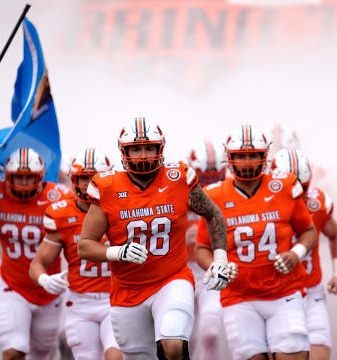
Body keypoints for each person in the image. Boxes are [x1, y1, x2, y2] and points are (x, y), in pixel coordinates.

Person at [77, 117, 228, 360]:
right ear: (124, 151)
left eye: (149, 148)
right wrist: (117, 252)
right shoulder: (106, 186)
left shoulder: (178, 177)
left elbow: (213, 213)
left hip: (172, 279)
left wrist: (220, 257)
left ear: (160, 149)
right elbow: (84, 246)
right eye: (136, 149)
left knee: (173, 343)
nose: (143, 154)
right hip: (127, 289)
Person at [195, 125, 317, 360]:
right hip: (239, 297)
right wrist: (217, 265)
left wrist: (296, 252)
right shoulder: (215, 195)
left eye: (253, 155)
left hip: (285, 293)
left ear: (265, 157)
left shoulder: (283, 185)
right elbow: (202, 249)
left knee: (293, 355)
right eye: (241, 156)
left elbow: (308, 231)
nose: (247, 161)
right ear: (230, 159)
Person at [0, 147, 74, 360]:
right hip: (13, 287)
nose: (23, 183)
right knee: (14, 350)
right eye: (18, 177)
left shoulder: (57, 197)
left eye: (29, 177)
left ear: (40, 177)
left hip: (49, 292)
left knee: (41, 356)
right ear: (7, 177)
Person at [29, 148, 122, 360]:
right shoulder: (61, 213)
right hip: (80, 303)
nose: (90, 186)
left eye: (95, 179)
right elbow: (37, 264)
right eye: (84, 179)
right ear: (73, 180)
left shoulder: (120, 208)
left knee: (116, 357)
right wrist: (43, 278)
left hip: (116, 299)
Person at [273, 147, 337, 360]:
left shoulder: (317, 203)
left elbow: (334, 234)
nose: (296, 195)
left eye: (302, 188)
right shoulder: (260, 205)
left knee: (320, 348)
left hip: (311, 292)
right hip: (275, 295)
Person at [186, 140, 227, 359]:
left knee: (210, 332)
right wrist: (180, 237)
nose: (210, 184)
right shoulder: (178, 192)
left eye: (215, 178)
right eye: (205, 179)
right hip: (181, 272)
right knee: (184, 337)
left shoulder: (227, 194)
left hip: (210, 269)